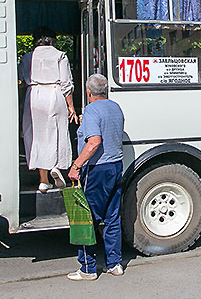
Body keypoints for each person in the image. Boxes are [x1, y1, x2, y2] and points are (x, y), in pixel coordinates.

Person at [67, 73, 125, 281]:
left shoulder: (91, 109)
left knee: (87, 219)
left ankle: (88, 268)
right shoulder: (115, 107)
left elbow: (94, 142)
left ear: (89, 92)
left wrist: (76, 165)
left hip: (97, 169)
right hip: (116, 166)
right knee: (112, 217)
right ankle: (115, 264)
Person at [18, 26, 78, 193]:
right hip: (54, 94)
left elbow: (21, 82)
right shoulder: (60, 56)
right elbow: (66, 84)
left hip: (34, 95)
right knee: (57, 133)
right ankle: (56, 166)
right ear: (53, 39)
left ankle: (43, 180)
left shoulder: (27, 58)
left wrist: (22, 104)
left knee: (37, 136)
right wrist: (71, 106)